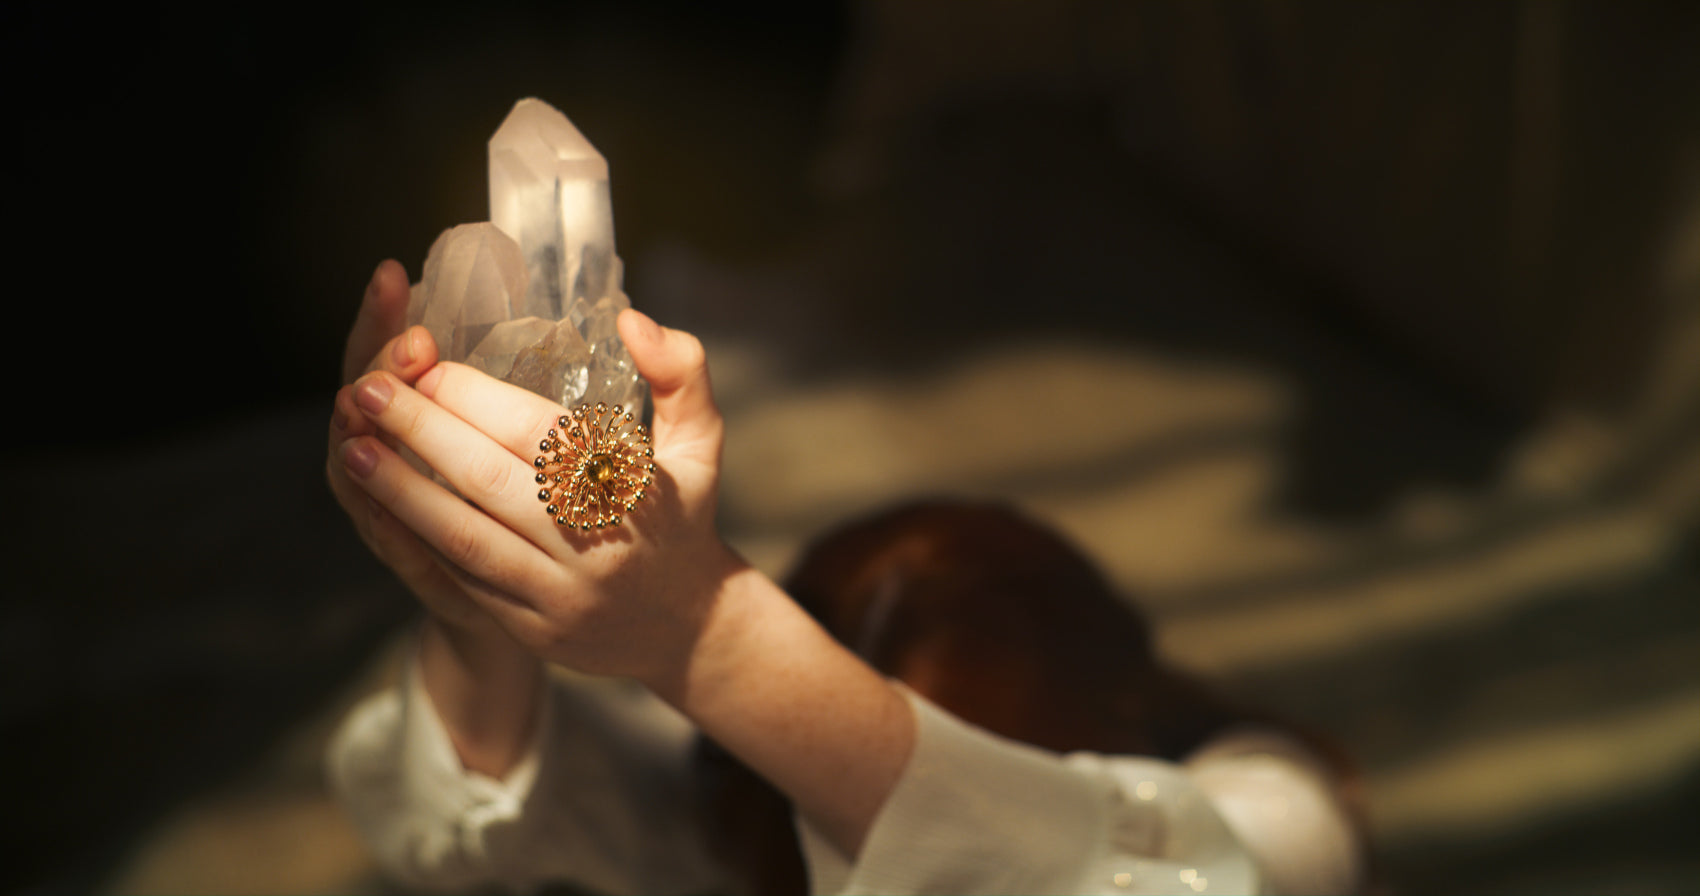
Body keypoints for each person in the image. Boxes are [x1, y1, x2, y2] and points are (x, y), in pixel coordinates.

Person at [325, 261, 1366, 895]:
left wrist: (706, 632)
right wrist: (476, 602)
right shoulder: (740, 817)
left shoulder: (1273, 810)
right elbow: (466, 817)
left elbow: (1091, 867)